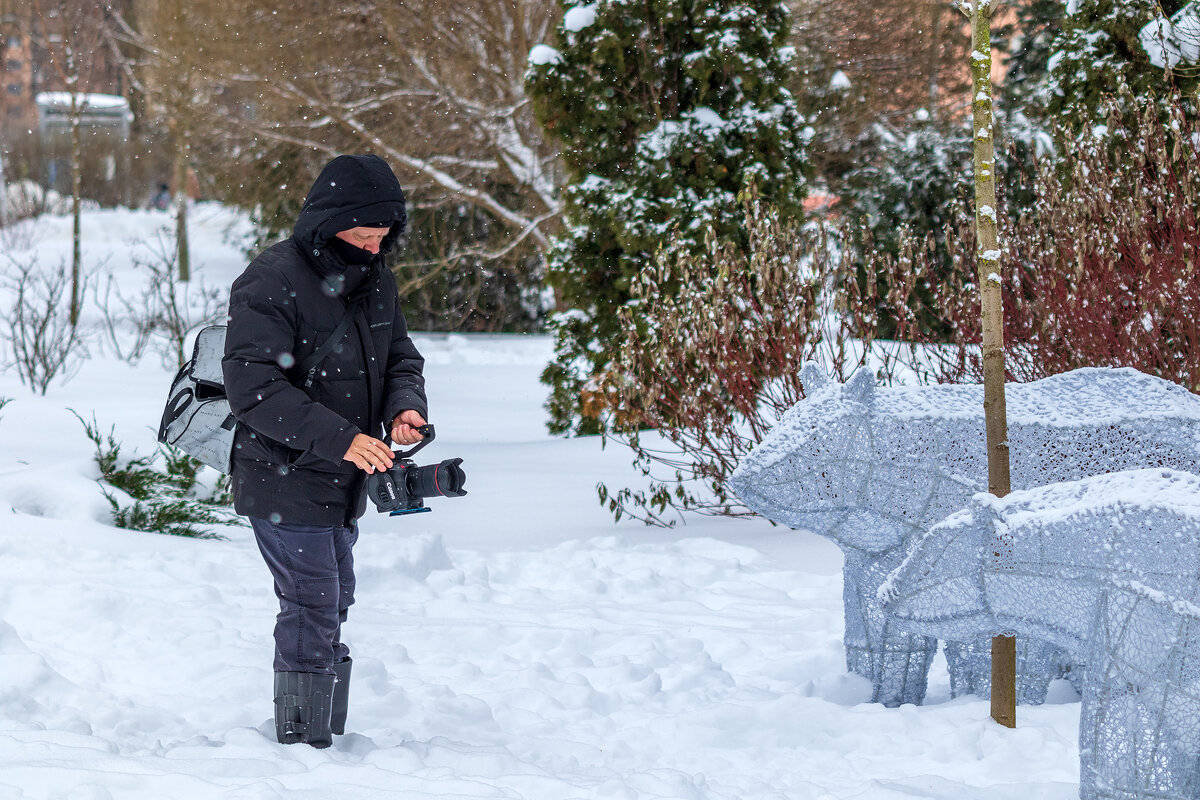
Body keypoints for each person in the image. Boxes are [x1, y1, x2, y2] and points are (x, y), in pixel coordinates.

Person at [222, 154, 428, 748]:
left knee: (335, 598)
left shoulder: (377, 280)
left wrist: (404, 407)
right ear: (327, 222)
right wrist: (342, 439)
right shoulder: (272, 279)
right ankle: (303, 743)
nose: (373, 245)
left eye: (384, 235)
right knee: (313, 603)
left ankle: (318, 733)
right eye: (362, 234)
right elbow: (253, 389)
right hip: (282, 473)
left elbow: (400, 359)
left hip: (344, 479)